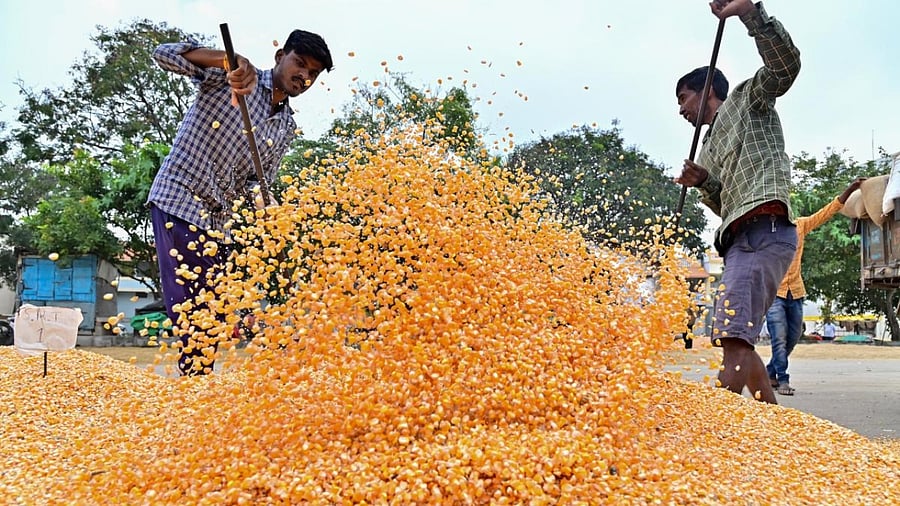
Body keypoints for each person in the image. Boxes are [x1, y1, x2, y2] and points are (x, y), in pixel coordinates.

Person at [148, 30, 333, 375]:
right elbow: (163, 54)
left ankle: (198, 381)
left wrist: (270, 206)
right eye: (300, 64)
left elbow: (257, 182)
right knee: (192, 306)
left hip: (220, 220)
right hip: (180, 198)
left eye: (312, 74)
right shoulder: (234, 78)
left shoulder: (286, 127)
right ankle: (195, 383)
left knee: (217, 308)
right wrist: (226, 59)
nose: (303, 76)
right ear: (280, 56)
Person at [674, 0, 800, 403]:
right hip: (739, 237)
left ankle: (716, 422)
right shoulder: (707, 147)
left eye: (684, 98)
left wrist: (751, 14)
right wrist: (704, 181)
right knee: (737, 337)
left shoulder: (749, 99)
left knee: (732, 334)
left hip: (765, 229)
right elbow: (723, 203)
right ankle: (774, 421)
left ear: (708, 89)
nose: (681, 110)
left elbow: (785, 68)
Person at [765, 179, 863, 395]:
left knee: (791, 338)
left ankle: (769, 371)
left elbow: (826, 212)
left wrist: (850, 189)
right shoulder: (766, 233)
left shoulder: (800, 225)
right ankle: (783, 380)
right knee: (779, 338)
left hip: (796, 292)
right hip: (774, 294)